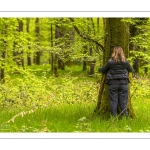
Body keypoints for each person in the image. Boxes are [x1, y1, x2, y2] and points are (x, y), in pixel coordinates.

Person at [98, 46, 133, 118]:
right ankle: (124, 119)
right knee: (123, 102)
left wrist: (100, 68)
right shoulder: (125, 62)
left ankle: (113, 119)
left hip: (112, 84)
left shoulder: (110, 62)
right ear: (122, 52)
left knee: (113, 102)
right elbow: (131, 70)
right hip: (123, 84)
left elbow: (103, 70)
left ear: (114, 52)